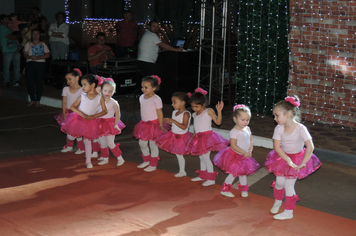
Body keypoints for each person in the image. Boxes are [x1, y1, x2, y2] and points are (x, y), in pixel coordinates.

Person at [264, 95, 322, 220]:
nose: (275, 118)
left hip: (297, 160)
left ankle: (288, 211)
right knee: (279, 183)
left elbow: (310, 147)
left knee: (289, 185)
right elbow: (277, 147)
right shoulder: (278, 128)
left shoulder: (301, 129)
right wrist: (288, 160)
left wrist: (303, 163)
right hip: (282, 158)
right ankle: (278, 201)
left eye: (277, 115)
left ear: (288, 114)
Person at [213, 105, 260, 197]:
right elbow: (233, 146)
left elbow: (250, 140)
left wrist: (250, 151)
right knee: (233, 174)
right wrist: (244, 152)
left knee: (243, 174)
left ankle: (243, 189)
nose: (245, 122)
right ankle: (225, 190)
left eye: (247, 120)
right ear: (235, 119)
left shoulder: (247, 129)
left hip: (244, 155)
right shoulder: (234, 131)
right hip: (235, 155)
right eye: (243, 120)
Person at [61, 74, 107, 168]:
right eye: (82, 85)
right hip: (78, 119)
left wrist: (94, 116)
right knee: (71, 137)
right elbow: (73, 107)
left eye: (85, 84)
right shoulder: (82, 96)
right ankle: (70, 141)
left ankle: (88, 161)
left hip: (91, 121)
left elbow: (104, 111)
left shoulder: (99, 97)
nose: (83, 87)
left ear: (93, 85)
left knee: (87, 141)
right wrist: (83, 115)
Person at [186, 88, 229, 186]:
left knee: (205, 158)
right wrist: (192, 137)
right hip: (198, 138)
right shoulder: (194, 114)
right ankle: (202, 175)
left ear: (203, 104)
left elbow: (218, 122)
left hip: (207, 138)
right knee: (201, 157)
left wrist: (219, 111)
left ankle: (211, 178)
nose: (194, 108)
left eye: (196, 106)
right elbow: (196, 128)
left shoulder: (208, 111)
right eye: (192, 106)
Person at [132, 75, 169, 172]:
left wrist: (160, 125)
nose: (143, 89)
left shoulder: (156, 99)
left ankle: (153, 163)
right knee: (142, 143)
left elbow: (159, 112)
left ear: (154, 88)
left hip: (154, 124)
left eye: (146, 87)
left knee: (153, 144)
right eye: (142, 87)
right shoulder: (141, 97)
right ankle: (146, 160)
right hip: (144, 124)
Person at [156, 92, 192, 177]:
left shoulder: (186, 114)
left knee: (179, 154)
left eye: (174, 102)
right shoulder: (174, 112)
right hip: (173, 135)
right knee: (177, 154)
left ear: (183, 102)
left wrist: (173, 121)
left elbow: (184, 126)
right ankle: (182, 170)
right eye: (172, 102)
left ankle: (182, 171)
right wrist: (168, 121)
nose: (172, 104)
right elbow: (175, 124)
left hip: (182, 137)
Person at [96, 78, 126, 166]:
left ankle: (120, 158)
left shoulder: (114, 103)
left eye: (110, 91)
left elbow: (117, 114)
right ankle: (105, 158)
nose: (108, 93)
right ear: (101, 90)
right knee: (102, 142)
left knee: (110, 143)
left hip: (110, 124)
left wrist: (116, 124)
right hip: (100, 123)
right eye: (105, 90)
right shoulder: (98, 100)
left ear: (114, 92)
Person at [54, 68, 84, 152]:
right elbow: (64, 102)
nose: (68, 81)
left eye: (70, 79)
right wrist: (64, 113)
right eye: (67, 80)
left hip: (78, 113)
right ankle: (69, 146)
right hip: (68, 112)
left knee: (78, 131)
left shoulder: (82, 90)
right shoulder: (66, 89)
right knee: (69, 130)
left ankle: (81, 148)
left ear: (77, 78)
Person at [23, 28, 50, 106]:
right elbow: (25, 54)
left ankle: (38, 99)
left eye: (37, 34)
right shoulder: (28, 44)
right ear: (32, 35)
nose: (35, 35)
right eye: (34, 34)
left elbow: (47, 54)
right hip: (30, 64)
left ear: (39, 35)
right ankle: (32, 99)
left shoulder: (43, 44)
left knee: (39, 82)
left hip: (40, 64)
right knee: (29, 82)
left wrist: (39, 57)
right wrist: (31, 57)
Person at [0, 14, 20, 87]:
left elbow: (16, 35)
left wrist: (14, 37)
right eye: (5, 19)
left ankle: (16, 81)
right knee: (6, 67)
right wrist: (14, 36)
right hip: (7, 50)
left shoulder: (9, 27)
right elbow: (11, 37)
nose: (7, 20)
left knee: (17, 66)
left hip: (14, 48)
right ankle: (7, 81)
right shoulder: (2, 29)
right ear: (1, 21)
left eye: (8, 19)